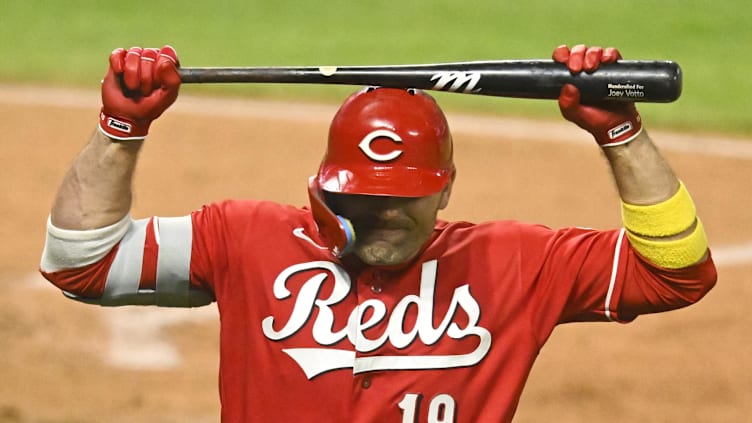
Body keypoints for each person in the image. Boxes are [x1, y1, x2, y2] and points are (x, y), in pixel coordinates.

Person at [39, 44, 717, 422]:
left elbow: (675, 272)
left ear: (446, 189)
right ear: (324, 181)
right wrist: (122, 129)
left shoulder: (514, 262)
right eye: (361, 195)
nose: (382, 214)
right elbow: (81, 263)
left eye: (404, 197)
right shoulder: (246, 239)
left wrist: (621, 134)